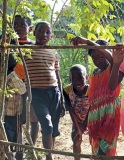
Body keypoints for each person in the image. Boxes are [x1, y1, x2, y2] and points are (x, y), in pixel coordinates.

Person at [70, 37, 120, 156]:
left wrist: (87, 42)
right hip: (95, 116)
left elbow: (111, 58)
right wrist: (84, 123)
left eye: (101, 56)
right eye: (94, 58)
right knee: (96, 148)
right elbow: (92, 102)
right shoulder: (94, 74)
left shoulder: (112, 67)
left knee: (106, 148)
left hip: (110, 115)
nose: (98, 60)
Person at [24, 21, 64, 160]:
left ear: (51, 35)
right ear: (34, 32)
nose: (44, 35)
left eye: (47, 32)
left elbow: (57, 75)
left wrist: (62, 99)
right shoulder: (26, 50)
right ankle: (49, 157)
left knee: (53, 127)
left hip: (54, 92)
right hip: (36, 93)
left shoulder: (53, 52)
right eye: (40, 31)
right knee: (47, 124)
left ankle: (49, 153)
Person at [12, 15, 39, 146]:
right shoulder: (9, 45)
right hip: (13, 86)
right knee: (17, 117)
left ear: (30, 28)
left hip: (31, 85)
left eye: (22, 25)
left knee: (33, 117)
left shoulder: (34, 46)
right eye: (15, 25)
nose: (19, 28)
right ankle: (19, 146)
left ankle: (31, 146)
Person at [63, 64, 90, 160]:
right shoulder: (67, 90)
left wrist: (86, 124)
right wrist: (78, 127)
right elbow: (70, 108)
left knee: (94, 141)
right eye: (73, 79)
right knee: (76, 139)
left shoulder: (92, 90)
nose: (77, 82)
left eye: (80, 78)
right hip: (76, 118)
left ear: (86, 77)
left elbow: (92, 108)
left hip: (91, 117)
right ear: (70, 79)